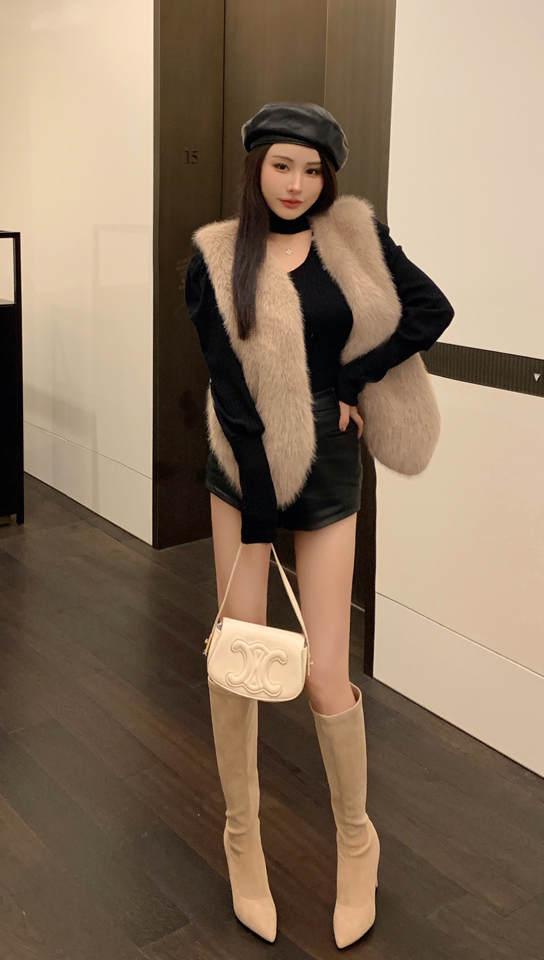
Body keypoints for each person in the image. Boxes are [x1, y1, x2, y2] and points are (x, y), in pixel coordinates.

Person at [185, 102, 455, 948]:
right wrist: (258, 513)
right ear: (255, 167)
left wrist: (353, 378)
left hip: (330, 464)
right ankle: (242, 839)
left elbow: (430, 309)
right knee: (241, 655)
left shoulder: (354, 239)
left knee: (325, 674)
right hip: (244, 466)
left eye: (312, 170)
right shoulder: (218, 256)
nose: (296, 185)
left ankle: (357, 843)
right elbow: (229, 389)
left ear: (327, 176)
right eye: (281, 166)